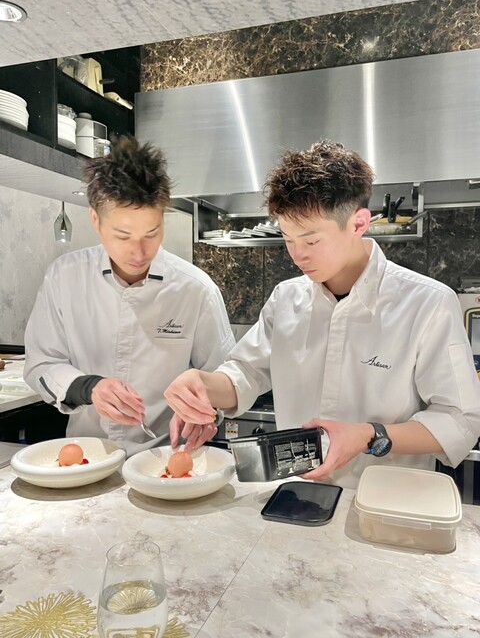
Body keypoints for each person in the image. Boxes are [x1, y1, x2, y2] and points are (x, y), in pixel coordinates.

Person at [164, 139, 480, 488]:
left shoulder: (428, 303)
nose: (297, 256)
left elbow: (460, 420)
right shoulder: (286, 299)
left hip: (386, 501)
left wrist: (369, 435)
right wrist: (202, 386)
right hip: (298, 497)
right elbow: (245, 373)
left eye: (311, 241)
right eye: (288, 239)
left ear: (358, 224)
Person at [24, 135, 235, 455]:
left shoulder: (195, 289)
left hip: (165, 458)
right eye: (123, 236)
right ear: (95, 220)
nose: (139, 252)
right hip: (86, 457)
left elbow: (223, 376)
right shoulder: (64, 277)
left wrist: (206, 412)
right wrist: (89, 388)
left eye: (152, 233)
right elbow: (41, 364)